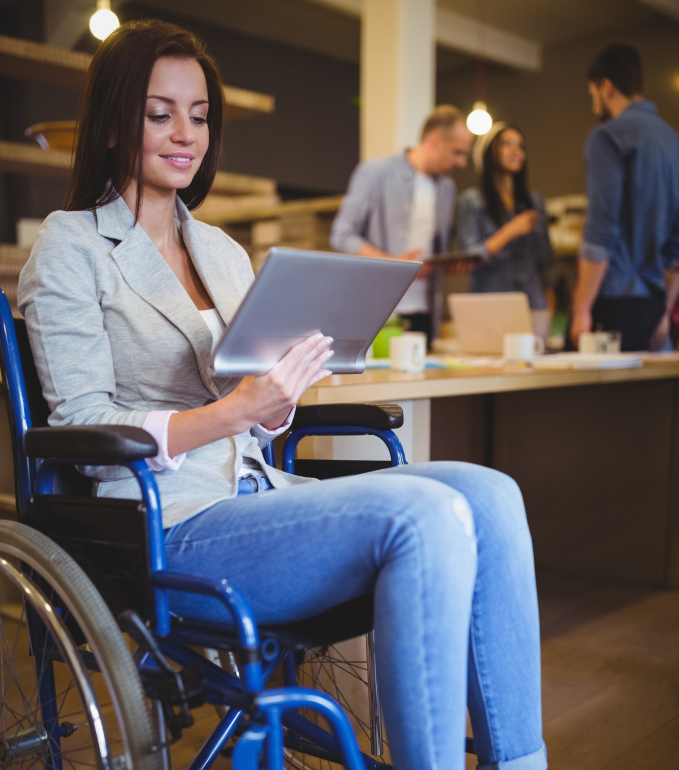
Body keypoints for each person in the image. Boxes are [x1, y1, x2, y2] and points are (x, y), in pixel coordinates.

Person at [18, 20, 546, 770]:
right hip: (169, 520)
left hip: (258, 491)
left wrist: (280, 394)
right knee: (426, 511)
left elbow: (255, 416)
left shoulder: (224, 253)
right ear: (111, 123)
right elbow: (82, 422)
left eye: (198, 115)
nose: (185, 134)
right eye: (158, 112)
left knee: (491, 494)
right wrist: (233, 410)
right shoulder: (71, 246)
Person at [330, 105, 474, 342]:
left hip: (424, 312)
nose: (461, 163)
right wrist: (394, 264)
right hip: (379, 313)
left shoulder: (448, 188)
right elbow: (341, 234)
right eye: (457, 152)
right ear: (434, 141)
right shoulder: (374, 172)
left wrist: (450, 263)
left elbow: (436, 250)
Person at [570, 44, 679, 351]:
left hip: (612, 304)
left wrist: (581, 308)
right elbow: (676, 248)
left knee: (590, 400)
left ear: (607, 87)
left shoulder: (607, 136)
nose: (594, 106)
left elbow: (600, 233)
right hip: (654, 305)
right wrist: (666, 310)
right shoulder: (673, 142)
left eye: (592, 95)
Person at [456, 122, 553, 311]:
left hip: (532, 301)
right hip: (489, 302)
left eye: (520, 146)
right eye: (506, 144)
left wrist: (549, 303)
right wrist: (511, 230)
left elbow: (546, 260)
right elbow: (468, 258)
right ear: (489, 151)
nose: (515, 150)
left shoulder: (535, 202)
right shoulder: (472, 201)